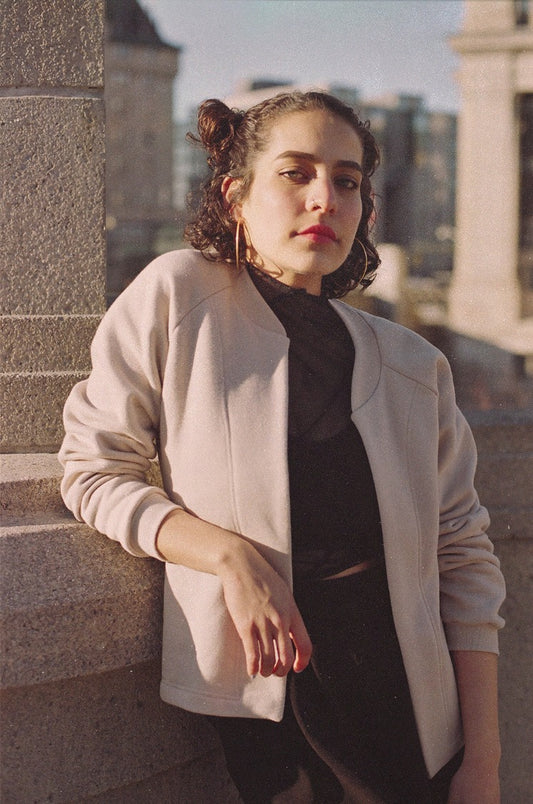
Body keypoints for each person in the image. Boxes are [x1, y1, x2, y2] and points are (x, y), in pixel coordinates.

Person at [59, 91, 505, 803]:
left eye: (347, 180)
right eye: (295, 173)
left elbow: (463, 558)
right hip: (266, 705)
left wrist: (482, 762)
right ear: (235, 195)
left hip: (415, 723)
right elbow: (91, 471)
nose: (324, 197)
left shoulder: (414, 366)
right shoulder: (177, 299)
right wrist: (226, 555)